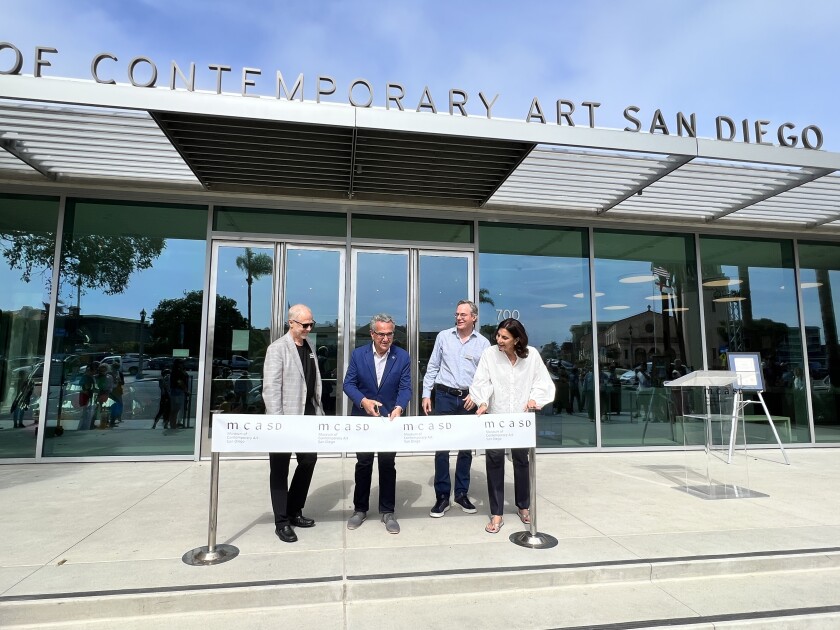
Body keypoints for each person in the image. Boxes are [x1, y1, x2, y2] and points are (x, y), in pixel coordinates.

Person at [470, 318, 555, 534]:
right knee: (494, 462)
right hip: (496, 417)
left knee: (521, 461)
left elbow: (541, 381)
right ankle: (496, 513)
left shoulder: (532, 355)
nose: (499, 340)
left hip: (521, 417)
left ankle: (523, 506)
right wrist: (482, 401)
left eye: (505, 337)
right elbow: (482, 381)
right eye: (498, 336)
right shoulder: (490, 354)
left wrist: (535, 399)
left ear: (517, 339)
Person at [343, 313, 411, 534]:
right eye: (381, 334)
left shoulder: (402, 357)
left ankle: (387, 511)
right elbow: (348, 384)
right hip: (363, 419)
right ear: (372, 334)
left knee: (387, 465)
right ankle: (360, 509)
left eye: (389, 334)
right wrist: (363, 401)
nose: (385, 338)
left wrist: (400, 407)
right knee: (363, 464)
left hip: (389, 420)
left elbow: (405, 387)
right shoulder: (358, 355)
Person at [421, 299, 490, 518]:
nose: (459, 318)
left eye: (463, 315)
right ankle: (442, 497)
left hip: (468, 399)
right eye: (457, 314)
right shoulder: (444, 337)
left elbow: (486, 376)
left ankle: (461, 494)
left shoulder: (484, 343)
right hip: (444, 396)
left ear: (474, 318)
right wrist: (426, 394)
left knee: (465, 449)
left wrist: (477, 396)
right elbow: (432, 367)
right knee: (441, 448)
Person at [263, 304, 324, 544]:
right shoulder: (277, 349)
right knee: (279, 469)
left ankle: (294, 510)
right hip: (285, 420)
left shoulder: (309, 348)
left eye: (311, 324)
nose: (309, 328)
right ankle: (281, 522)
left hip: (307, 417)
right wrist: (278, 422)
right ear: (291, 323)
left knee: (309, 460)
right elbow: (270, 389)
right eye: (305, 324)